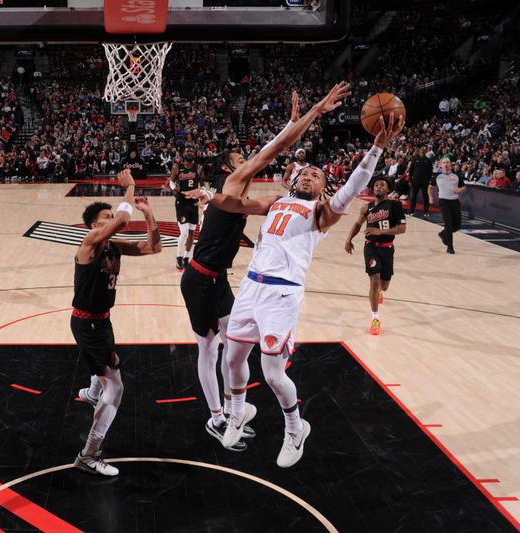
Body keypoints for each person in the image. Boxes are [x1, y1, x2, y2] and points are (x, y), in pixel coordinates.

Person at [187, 113, 404, 468]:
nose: (308, 175)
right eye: (304, 173)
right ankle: (237, 414)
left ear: (324, 189)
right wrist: (211, 196)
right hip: (251, 287)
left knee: (272, 372)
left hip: (282, 295)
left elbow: (352, 187)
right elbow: (238, 205)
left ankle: (294, 428)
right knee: (232, 358)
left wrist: (376, 148)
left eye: (316, 175)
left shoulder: (322, 213)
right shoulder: (275, 201)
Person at [180, 83, 350, 451]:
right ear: (229, 168)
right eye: (242, 159)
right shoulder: (234, 182)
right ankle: (217, 417)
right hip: (198, 279)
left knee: (234, 349)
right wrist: (313, 112)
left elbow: (277, 150)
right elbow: (275, 150)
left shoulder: (251, 195)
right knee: (209, 351)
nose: (251, 162)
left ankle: (235, 408)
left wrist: (293, 124)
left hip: (219, 280)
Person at [72, 169, 161, 476]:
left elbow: (154, 247)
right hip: (88, 324)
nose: (111, 218)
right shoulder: (91, 242)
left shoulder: (114, 246)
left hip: (101, 322)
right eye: (105, 216)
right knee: (118, 388)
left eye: (111, 214)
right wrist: (131, 186)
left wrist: (149, 214)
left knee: (106, 378)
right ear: (95, 224)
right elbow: (122, 219)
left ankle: (92, 391)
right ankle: (89, 453)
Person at [344, 175, 407, 335]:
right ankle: (375, 318)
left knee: (384, 286)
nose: (378, 187)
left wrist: (380, 231)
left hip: (387, 248)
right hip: (371, 247)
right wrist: (349, 239)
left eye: (382, 185)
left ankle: (379, 290)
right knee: (374, 280)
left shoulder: (395, 205)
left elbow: (402, 229)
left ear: (388, 189)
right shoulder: (366, 208)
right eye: (376, 185)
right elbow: (358, 224)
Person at [169, 145, 203, 271]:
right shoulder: (177, 167)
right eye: (187, 151)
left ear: (194, 154)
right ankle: (178, 257)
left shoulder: (198, 168)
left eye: (191, 151)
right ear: (183, 153)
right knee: (183, 232)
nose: (189, 153)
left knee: (191, 232)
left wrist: (203, 192)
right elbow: (171, 182)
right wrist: (174, 190)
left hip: (193, 202)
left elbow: (203, 184)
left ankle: (186, 258)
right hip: (182, 202)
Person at [429, 157, 465, 254]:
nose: (446, 164)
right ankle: (450, 247)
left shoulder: (457, 176)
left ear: (451, 164)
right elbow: (431, 187)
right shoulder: (437, 176)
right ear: (441, 164)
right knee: (448, 224)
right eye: (444, 162)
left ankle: (443, 234)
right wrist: (430, 197)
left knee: (457, 226)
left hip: (455, 202)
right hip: (444, 202)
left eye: (448, 162)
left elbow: (463, 187)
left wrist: (459, 190)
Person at [406, 147, 433, 216]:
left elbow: (430, 172)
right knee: (413, 197)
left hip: (424, 182)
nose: (423, 151)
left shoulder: (428, 160)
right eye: (422, 150)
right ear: (419, 151)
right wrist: (410, 180)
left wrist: (429, 180)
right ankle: (412, 211)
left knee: (425, 197)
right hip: (415, 182)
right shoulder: (415, 160)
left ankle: (426, 212)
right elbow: (410, 171)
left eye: (424, 150)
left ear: (426, 151)